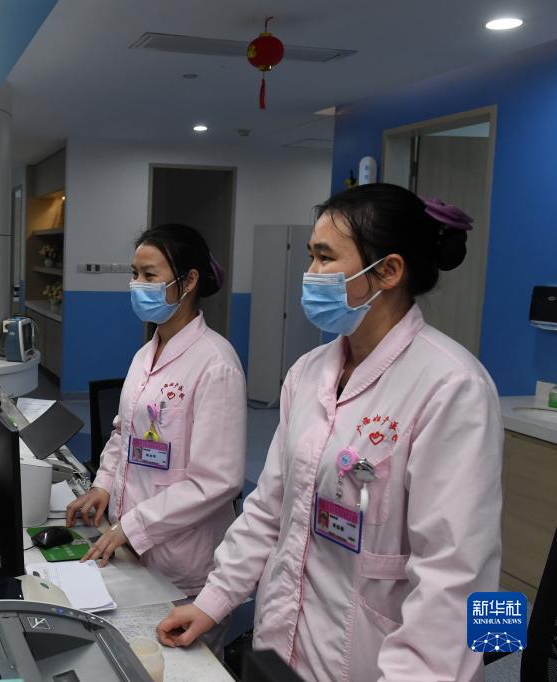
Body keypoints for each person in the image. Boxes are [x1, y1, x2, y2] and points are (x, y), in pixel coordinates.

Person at [157, 184, 503, 681]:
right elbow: (270, 508)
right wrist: (213, 600)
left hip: (377, 661)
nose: (310, 273)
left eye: (324, 257)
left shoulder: (452, 386)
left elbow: (455, 577)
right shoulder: (308, 372)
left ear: (388, 271)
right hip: (281, 642)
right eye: (310, 256)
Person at [66, 223, 246, 623]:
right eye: (135, 274)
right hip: (131, 541)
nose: (137, 285)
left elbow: (217, 481)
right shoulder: (145, 354)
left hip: (183, 562)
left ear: (189, 281)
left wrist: (133, 525)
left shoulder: (216, 364)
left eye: (150, 275)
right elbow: (124, 431)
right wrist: (103, 484)